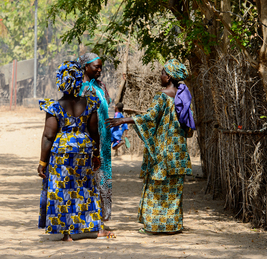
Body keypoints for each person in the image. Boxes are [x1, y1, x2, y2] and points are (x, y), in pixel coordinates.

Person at [105, 59, 195, 235]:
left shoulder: (163, 96)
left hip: (162, 152)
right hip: (178, 153)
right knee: (174, 190)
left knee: (156, 189)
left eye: (162, 73)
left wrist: (123, 120)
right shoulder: (182, 96)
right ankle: (172, 225)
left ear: (168, 76)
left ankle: (155, 225)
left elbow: (149, 118)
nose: (160, 76)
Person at [37, 61, 114, 241]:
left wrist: (42, 162)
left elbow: (48, 135)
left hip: (61, 152)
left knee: (62, 190)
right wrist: (95, 155)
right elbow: (94, 131)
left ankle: (67, 234)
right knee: (85, 188)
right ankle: (95, 228)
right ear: (79, 81)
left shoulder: (55, 106)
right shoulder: (89, 103)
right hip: (83, 150)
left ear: (61, 82)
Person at [77, 53, 113, 222]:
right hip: (88, 139)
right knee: (88, 178)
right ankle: (88, 220)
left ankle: (101, 219)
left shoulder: (101, 86)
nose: (99, 70)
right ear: (85, 67)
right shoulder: (78, 88)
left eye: (100, 66)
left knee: (103, 178)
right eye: (96, 67)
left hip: (103, 140)